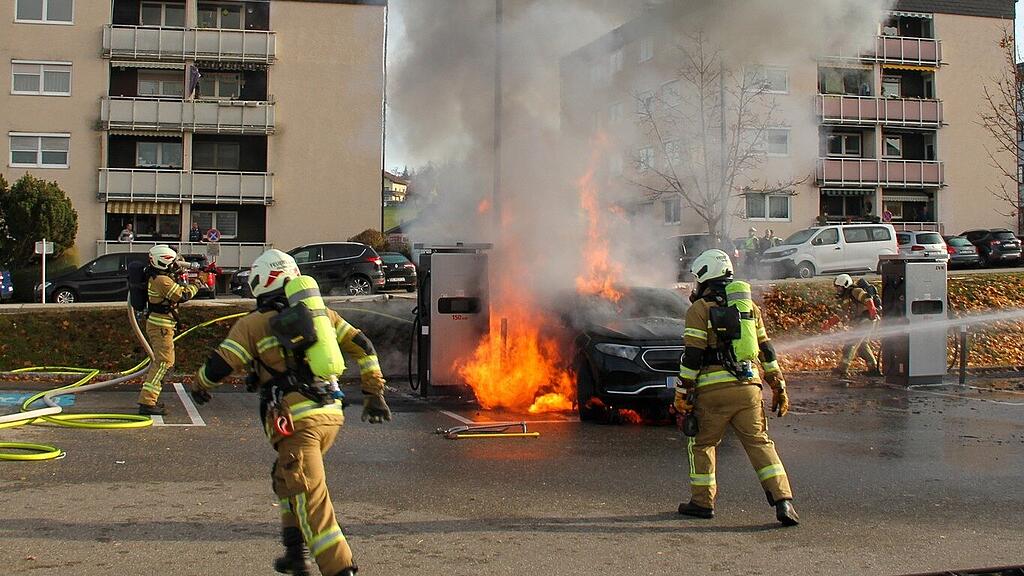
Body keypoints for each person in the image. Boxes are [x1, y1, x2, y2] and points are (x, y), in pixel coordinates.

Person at [188, 249, 391, 576]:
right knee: (284, 478)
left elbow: (219, 365)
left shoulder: (253, 324)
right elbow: (363, 345)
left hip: (298, 422)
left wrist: (199, 386)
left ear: (261, 282)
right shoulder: (323, 314)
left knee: (311, 500)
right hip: (330, 414)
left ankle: (341, 569)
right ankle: (294, 553)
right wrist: (374, 392)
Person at [674, 249, 799, 526]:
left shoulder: (698, 310)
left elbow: (692, 357)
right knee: (760, 443)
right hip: (749, 388)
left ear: (705, 275)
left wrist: (682, 393)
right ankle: (784, 502)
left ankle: (702, 502)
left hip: (714, 392)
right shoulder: (749, 308)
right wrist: (778, 384)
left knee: (702, 444)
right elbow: (766, 349)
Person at [138, 245, 204, 415]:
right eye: (173, 262)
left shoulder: (157, 275)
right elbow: (182, 295)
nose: (175, 265)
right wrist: (198, 283)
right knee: (164, 364)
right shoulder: (162, 281)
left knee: (163, 363)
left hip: (161, 325)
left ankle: (149, 399)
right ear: (163, 262)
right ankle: (147, 402)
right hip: (161, 327)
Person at [827, 274, 882, 378]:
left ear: (845, 285)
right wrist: (829, 323)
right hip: (862, 322)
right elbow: (841, 314)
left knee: (851, 343)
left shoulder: (855, 291)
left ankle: (842, 369)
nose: (837, 289)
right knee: (862, 346)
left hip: (867, 321)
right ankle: (873, 369)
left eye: (839, 287)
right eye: (837, 287)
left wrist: (872, 311)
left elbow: (868, 299)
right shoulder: (845, 298)